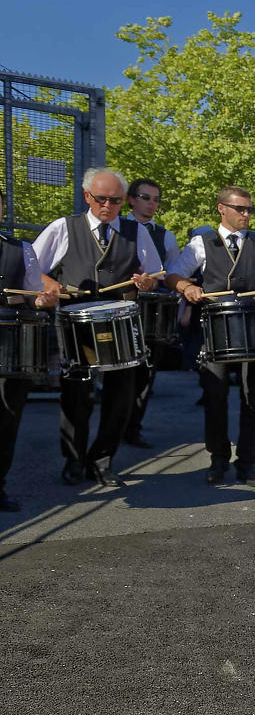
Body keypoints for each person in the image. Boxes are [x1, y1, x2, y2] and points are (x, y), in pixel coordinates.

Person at [34, 167, 166, 488]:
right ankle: (74, 461)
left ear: (124, 201)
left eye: (116, 201)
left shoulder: (137, 232)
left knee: (122, 397)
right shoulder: (64, 228)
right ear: (87, 196)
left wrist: (146, 281)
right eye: (101, 199)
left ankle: (102, 460)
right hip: (77, 325)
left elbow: (155, 275)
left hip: (121, 323)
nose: (107, 206)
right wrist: (51, 285)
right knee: (76, 395)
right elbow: (33, 268)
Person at [165, 186, 255, 488]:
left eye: (249, 209)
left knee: (254, 399)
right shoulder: (201, 243)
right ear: (221, 209)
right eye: (240, 209)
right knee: (215, 397)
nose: (246, 214)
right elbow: (173, 274)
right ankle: (218, 458)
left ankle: (247, 462)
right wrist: (187, 288)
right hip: (216, 330)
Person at [0, 233, 57, 510]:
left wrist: (42, 301)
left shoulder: (21, 248)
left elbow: (32, 294)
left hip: (11, 344)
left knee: (7, 418)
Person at [122, 177, 174, 448]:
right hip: (119, 310)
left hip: (152, 313)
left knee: (146, 373)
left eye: (156, 199)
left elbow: (173, 275)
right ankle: (115, 426)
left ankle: (133, 427)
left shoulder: (166, 235)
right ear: (131, 199)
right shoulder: (117, 229)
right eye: (146, 197)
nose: (152, 203)